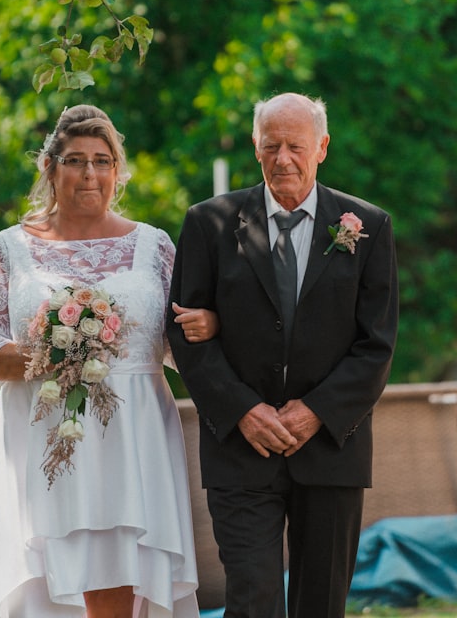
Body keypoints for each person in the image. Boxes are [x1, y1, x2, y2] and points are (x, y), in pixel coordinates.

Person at [0, 105, 217, 618]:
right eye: (75, 161)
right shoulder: (8, 248)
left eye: (102, 160)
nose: (90, 173)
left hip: (135, 434)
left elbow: (181, 342)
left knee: (125, 570)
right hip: (44, 429)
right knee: (50, 578)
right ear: (51, 169)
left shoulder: (154, 246)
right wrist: (49, 354)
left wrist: (209, 324)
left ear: (117, 171)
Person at [166, 93, 399, 618]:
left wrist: (316, 411)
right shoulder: (208, 224)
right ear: (255, 147)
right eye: (271, 146)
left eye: (296, 146)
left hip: (332, 450)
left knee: (321, 604)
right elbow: (184, 331)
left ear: (322, 148)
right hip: (240, 452)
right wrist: (242, 411)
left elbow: (376, 345)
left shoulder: (369, 227)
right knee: (253, 599)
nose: (283, 158)